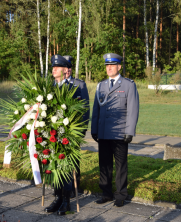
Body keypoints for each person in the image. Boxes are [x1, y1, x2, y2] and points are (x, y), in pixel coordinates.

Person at [91, 53, 139, 207]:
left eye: (112, 65)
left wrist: (129, 131)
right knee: (104, 164)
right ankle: (106, 193)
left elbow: (133, 109)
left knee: (120, 165)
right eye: (107, 65)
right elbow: (96, 109)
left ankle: (120, 194)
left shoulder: (128, 85)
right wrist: (94, 129)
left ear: (119, 67)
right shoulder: (101, 85)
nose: (109, 68)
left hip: (120, 133)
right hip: (104, 132)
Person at [44, 54, 81, 215]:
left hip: (67, 136)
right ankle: (58, 198)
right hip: (51, 136)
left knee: (66, 169)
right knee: (54, 168)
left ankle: (66, 201)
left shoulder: (75, 88)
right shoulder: (49, 88)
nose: (54, 69)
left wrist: (77, 134)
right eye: (53, 67)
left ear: (66, 70)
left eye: (57, 67)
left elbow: (81, 112)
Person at [63, 55, 90, 197]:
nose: (66, 70)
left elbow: (85, 108)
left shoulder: (80, 84)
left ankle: (75, 186)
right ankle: (61, 187)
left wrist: (83, 128)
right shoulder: (55, 84)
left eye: (69, 68)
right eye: (64, 68)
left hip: (75, 129)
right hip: (59, 130)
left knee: (73, 158)